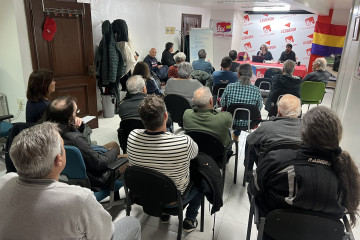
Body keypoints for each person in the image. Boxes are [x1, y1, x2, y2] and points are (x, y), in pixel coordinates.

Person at [0, 122, 141, 240]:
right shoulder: (78, 198)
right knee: (132, 223)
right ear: (58, 160)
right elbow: (105, 234)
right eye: (63, 147)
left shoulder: (4, 182)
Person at [249, 106, 360, 229]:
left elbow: (254, 189)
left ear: (303, 132)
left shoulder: (276, 159)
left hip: (275, 231)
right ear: (338, 135)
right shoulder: (347, 173)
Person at [127, 95, 202, 232]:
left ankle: (164, 214)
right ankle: (190, 219)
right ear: (166, 116)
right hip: (173, 201)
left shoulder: (132, 136)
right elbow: (195, 154)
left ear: (141, 119)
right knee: (202, 182)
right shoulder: (183, 142)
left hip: (143, 196)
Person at [41, 96, 121, 191]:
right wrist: (114, 152)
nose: (77, 115)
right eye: (76, 112)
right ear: (69, 117)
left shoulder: (45, 132)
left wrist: (80, 127)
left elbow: (85, 145)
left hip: (71, 175)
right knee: (126, 158)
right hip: (96, 179)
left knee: (113, 144)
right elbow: (99, 162)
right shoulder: (75, 139)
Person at [246, 94, 302, 165]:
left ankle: (248, 172)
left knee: (252, 142)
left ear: (278, 111)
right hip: (298, 169)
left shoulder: (266, 127)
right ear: (299, 112)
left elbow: (249, 140)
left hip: (269, 168)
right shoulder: (308, 130)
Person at [220, 64, 262, 140]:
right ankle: (237, 135)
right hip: (249, 123)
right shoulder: (256, 90)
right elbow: (259, 107)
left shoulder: (230, 87)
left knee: (227, 112)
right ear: (251, 75)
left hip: (231, 121)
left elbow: (222, 103)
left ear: (238, 74)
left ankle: (229, 138)